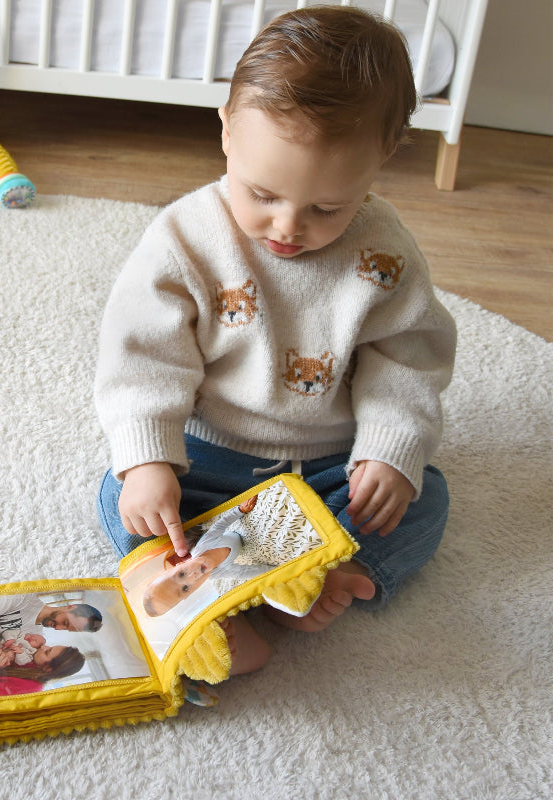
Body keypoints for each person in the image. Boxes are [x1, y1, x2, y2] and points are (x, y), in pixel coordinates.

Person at [95, 7, 456, 675]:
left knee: (421, 497)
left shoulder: (384, 254)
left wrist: (388, 450)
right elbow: (143, 357)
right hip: (210, 457)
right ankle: (194, 592)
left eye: (326, 208)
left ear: (382, 159)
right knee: (124, 495)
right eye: (262, 193)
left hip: (327, 465)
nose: (287, 226)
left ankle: (321, 576)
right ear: (227, 131)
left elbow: (407, 357)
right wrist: (148, 460)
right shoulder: (183, 239)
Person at [0, 594, 102, 666]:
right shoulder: (22, 598)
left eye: (66, 629)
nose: (58, 628)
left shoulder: (34, 638)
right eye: (65, 622)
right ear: (70, 607)